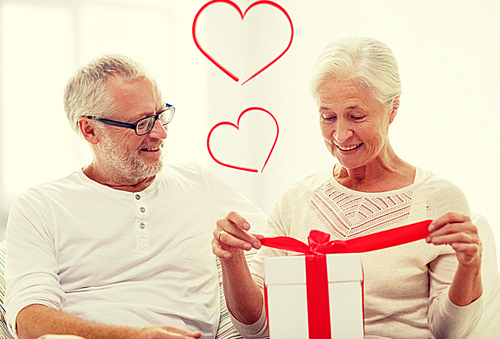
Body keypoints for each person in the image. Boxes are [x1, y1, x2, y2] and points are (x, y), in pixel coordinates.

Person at [213, 37, 484, 339]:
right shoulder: (295, 201)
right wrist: (232, 260)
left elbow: (450, 332)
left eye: (356, 116)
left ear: (392, 108)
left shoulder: (438, 200)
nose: (340, 135)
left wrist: (469, 267)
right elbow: (257, 329)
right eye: (328, 116)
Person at [5, 54, 265, 339]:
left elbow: (283, 246)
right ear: (89, 130)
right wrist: (132, 336)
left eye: (160, 115)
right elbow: (29, 321)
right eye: (142, 123)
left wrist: (235, 255)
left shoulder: (199, 183)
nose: (161, 133)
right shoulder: (41, 206)